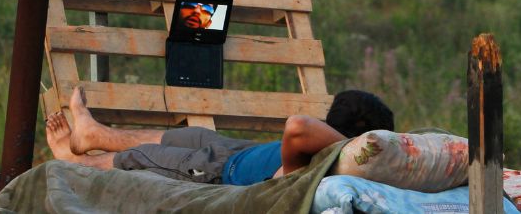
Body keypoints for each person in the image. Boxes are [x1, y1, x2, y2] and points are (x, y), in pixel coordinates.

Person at [45, 86, 394, 185]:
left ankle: (73, 159)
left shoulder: (321, 163)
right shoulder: (329, 150)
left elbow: (297, 125)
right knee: (184, 135)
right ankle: (94, 134)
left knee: (142, 156)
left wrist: (350, 146)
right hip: (246, 151)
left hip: (219, 172)